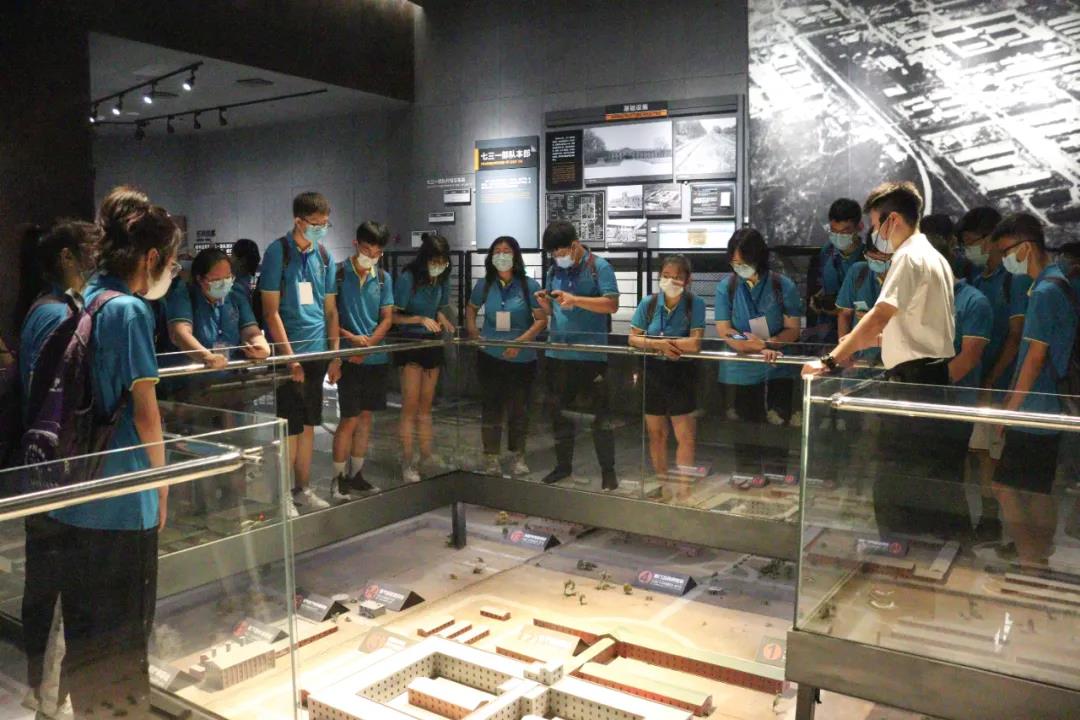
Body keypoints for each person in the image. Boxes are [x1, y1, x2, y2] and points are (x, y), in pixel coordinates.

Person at [42, 202, 179, 718]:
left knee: (86, 637)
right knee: (124, 639)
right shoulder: (128, 311)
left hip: (73, 494)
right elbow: (146, 413)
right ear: (151, 257)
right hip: (122, 499)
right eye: (170, 259)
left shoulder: (78, 300)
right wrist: (163, 485)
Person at [804, 181, 957, 538]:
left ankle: (896, 549)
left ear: (893, 220)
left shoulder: (908, 257)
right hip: (931, 376)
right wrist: (859, 344)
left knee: (896, 475)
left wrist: (830, 360)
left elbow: (880, 314)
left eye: (875, 224)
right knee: (922, 475)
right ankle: (918, 546)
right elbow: (916, 327)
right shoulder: (934, 257)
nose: (874, 233)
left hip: (913, 381)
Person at [17, 220, 101, 719]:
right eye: (90, 248)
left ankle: (43, 686)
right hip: (58, 469)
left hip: (42, 468)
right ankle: (51, 691)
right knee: (60, 580)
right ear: (67, 257)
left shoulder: (43, 308)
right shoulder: (59, 314)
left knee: (45, 577)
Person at [991, 213, 1078, 566]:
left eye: (1005, 252)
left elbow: (1034, 358)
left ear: (1025, 248)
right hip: (1048, 405)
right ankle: (1039, 553)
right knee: (1038, 488)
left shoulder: (1043, 292)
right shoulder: (1058, 283)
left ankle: (1030, 557)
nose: (1004, 260)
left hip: (1034, 409)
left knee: (1006, 486)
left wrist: (1009, 411)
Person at [259, 192, 341, 514]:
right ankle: (282, 495)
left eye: (325, 223)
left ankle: (303, 488)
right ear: (298, 220)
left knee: (309, 426)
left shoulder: (324, 256)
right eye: (316, 223)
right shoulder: (277, 252)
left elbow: (330, 310)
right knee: (289, 428)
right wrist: (289, 357)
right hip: (289, 356)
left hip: (317, 352)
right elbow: (270, 311)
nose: (321, 229)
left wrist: (335, 354)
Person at [957, 206, 1031, 540]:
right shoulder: (977, 279)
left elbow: (1016, 336)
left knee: (994, 455)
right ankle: (988, 519)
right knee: (979, 452)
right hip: (976, 380)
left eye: (973, 242)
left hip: (1001, 382)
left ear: (991, 239)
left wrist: (991, 378)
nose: (970, 249)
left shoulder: (1013, 280)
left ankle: (999, 524)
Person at [535, 221, 620, 490]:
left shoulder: (599, 267)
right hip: (558, 353)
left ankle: (608, 472)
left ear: (574, 245)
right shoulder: (553, 271)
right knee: (559, 415)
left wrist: (576, 299)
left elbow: (612, 304)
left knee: (600, 417)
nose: (557, 257)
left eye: (560, 252)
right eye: (553, 253)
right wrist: (545, 304)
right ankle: (563, 466)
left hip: (590, 355)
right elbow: (554, 311)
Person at [716, 228, 803, 483]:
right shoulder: (727, 287)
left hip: (776, 365)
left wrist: (769, 343)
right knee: (744, 423)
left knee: (777, 420)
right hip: (740, 368)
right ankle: (747, 472)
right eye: (734, 263)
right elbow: (725, 329)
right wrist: (752, 346)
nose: (738, 268)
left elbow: (793, 329)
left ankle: (776, 473)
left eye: (743, 263)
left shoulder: (782, 285)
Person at [465, 236, 547, 477]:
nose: (501, 255)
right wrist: (474, 333)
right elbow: (471, 309)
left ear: (515, 255)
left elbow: (541, 320)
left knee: (519, 409)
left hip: (521, 359)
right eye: (497, 251)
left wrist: (519, 343)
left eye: (506, 251)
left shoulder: (529, 285)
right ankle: (491, 457)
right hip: (490, 356)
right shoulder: (485, 284)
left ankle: (517, 455)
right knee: (491, 408)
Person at [629, 255, 706, 495]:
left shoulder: (695, 304)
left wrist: (662, 344)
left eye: (677, 277)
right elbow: (633, 338)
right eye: (666, 276)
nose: (671, 281)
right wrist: (658, 345)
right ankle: (663, 484)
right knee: (656, 434)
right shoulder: (649, 303)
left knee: (685, 436)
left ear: (688, 280)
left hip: (681, 372)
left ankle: (684, 488)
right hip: (652, 371)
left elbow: (695, 343)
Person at [330, 221, 394, 500]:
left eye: (378, 252)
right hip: (348, 359)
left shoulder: (383, 278)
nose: (372, 256)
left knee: (366, 418)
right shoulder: (338, 274)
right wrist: (350, 340)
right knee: (349, 419)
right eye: (368, 249)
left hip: (375, 358)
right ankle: (338, 478)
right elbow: (330, 316)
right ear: (356, 244)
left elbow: (387, 318)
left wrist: (368, 346)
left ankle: (357, 474)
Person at [393, 232, 455, 483]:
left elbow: (438, 307)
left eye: (442, 261)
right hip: (410, 343)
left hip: (431, 343)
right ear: (425, 259)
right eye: (434, 260)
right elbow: (393, 316)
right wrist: (418, 319)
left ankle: (426, 454)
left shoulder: (442, 278)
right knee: (410, 405)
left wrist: (441, 317)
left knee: (426, 405)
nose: (438, 265)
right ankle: (407, 459)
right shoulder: (408, 278)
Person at [165, 247, 270, 375]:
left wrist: (261, 346)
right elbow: (180, 334)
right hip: (191, 378)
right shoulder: (184, 295)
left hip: (230, 378)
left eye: (228, 277)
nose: (223, 283)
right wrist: (206, 356)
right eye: (216, 280)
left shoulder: (235, 294)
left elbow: (250, 330)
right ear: (200, 279)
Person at [808, 198, 866, 342]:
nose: (839, 237)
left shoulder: (869, 259)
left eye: (845, 231)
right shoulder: (827, 251)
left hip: (856, 333)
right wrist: (818, 300)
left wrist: (841, 309)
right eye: (834, 231)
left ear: (859, 227)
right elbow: (822, 283)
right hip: (826, 331)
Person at [231, 238, 261, 303]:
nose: (230, 260)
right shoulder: (253, 281)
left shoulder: (237, 288)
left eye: (232, 255)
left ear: (242, 261)